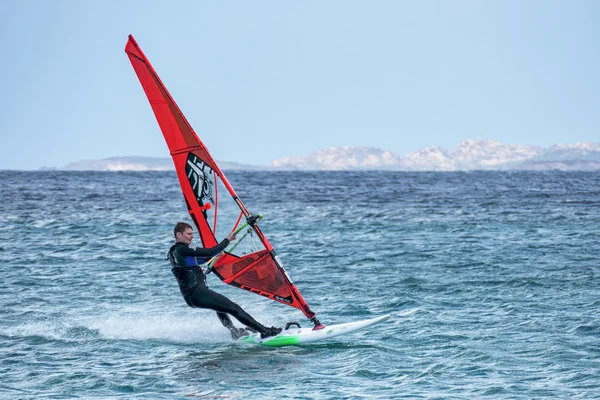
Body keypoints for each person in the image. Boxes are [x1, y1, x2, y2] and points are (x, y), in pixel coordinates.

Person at [167, 222, 282, 340]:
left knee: (220, 307)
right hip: (197, 293)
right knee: (234, 308)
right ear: (179, 235)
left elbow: (195, 262)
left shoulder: (175, 252)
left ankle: (234, 332)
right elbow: (210, 251)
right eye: (189, 234)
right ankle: (264, 331)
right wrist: (227, 240)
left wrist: (216, 255)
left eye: (192, 233)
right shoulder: (183, 249)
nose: (192, 236)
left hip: (191, 297)